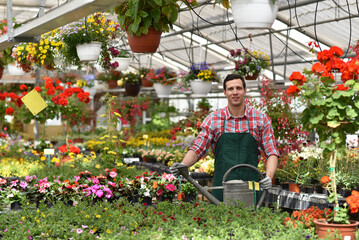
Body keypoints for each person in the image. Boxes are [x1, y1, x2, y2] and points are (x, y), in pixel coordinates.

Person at [170, 74, 279, 202]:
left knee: (252, 218)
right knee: (221, 219)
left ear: (245, 91)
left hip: (250, 186)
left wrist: (269, 177)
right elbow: (198, 148)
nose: (235, 92)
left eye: (238, 88)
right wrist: (183, 165)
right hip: (222, 186)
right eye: (230, 89)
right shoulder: (214, 119)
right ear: (225, 92)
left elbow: (271, 152)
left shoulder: (260, 119)